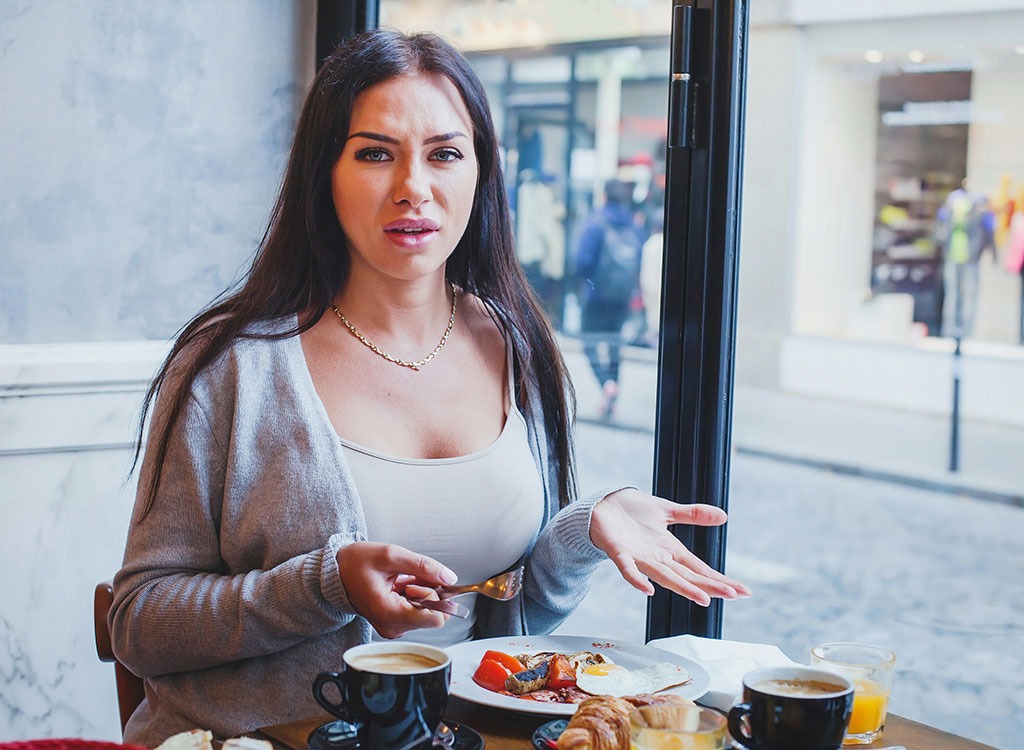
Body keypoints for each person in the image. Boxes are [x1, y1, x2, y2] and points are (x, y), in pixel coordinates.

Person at [109, 29, 749, 744]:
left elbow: (515, 630)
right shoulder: (231, 364)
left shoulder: (519, 347)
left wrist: (586, 529)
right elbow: (140, 623)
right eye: (376, 153)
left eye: (445, 153)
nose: (414, 187)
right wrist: (326, 585)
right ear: (325, 171)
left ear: (480, 173)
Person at [573, 179, 646, 418]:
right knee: (615, 346)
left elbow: (582, 260)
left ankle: (606, 384)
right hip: (622, 296)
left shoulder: (596, 222)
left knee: (589, 341)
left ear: (604, 196)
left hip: (597, 296)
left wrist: (590, 282)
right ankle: (612, 395)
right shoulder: (633, 226)